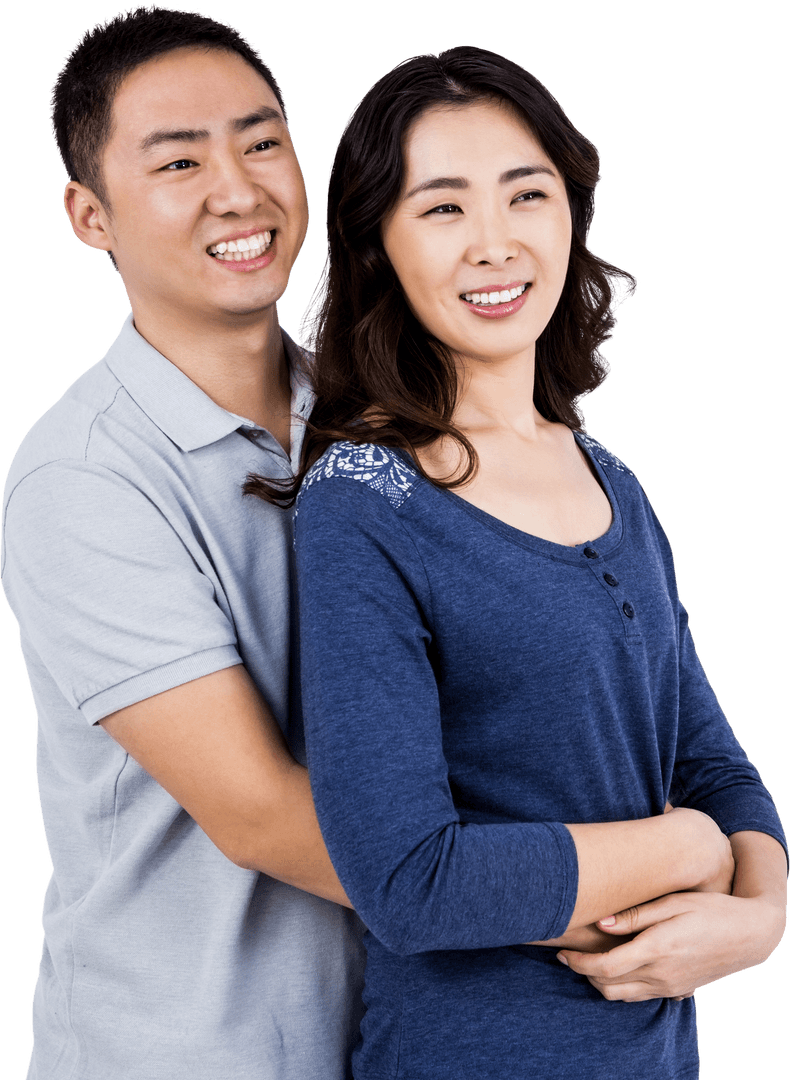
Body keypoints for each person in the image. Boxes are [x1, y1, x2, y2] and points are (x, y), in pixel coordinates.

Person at [247, 46, 787, 1079]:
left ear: (570, 214)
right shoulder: (364, 501)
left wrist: (758, 914)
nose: (494, 244)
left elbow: (711, 766)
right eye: (442, 209)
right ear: (381, 247)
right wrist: (685, 852)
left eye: (524, 194)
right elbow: (409, 877)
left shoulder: (610, 482)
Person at [0, 7, 364, 1079]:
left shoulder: (377, 421)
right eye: (177, 161)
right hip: (181, 1054)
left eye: (261, 142)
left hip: (390, 1036)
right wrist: (589, 898)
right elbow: (260, 815)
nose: (238, 191)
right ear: (89, 215)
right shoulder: (84, 479)